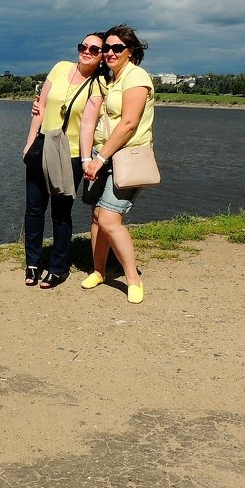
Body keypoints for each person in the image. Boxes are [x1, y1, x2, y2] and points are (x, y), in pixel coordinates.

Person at [22, 34, 107, 288]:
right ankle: (33, 263)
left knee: (61, 214)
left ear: (102, 55)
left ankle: (58, 267)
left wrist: (84, 159)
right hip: (42, 146)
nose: (87, 51)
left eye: (94, 49)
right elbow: (42, 105)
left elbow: (88, 126)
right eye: (83, 46)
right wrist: (29, 141)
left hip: (69, 154)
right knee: (34, 209)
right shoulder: (60, 68)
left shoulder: (98, 84)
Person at [78, 24, 154, 304]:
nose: (110, 52)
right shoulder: (110, 78)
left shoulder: (136, 77)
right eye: (106, 48)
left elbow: (129, 123)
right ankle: (99, 270)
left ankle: (133, 279)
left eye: (117, 48)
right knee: (97, 217)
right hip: (104, 155)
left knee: (110, 218)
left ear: (130, 51)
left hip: (126, 157)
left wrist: (99, 159)